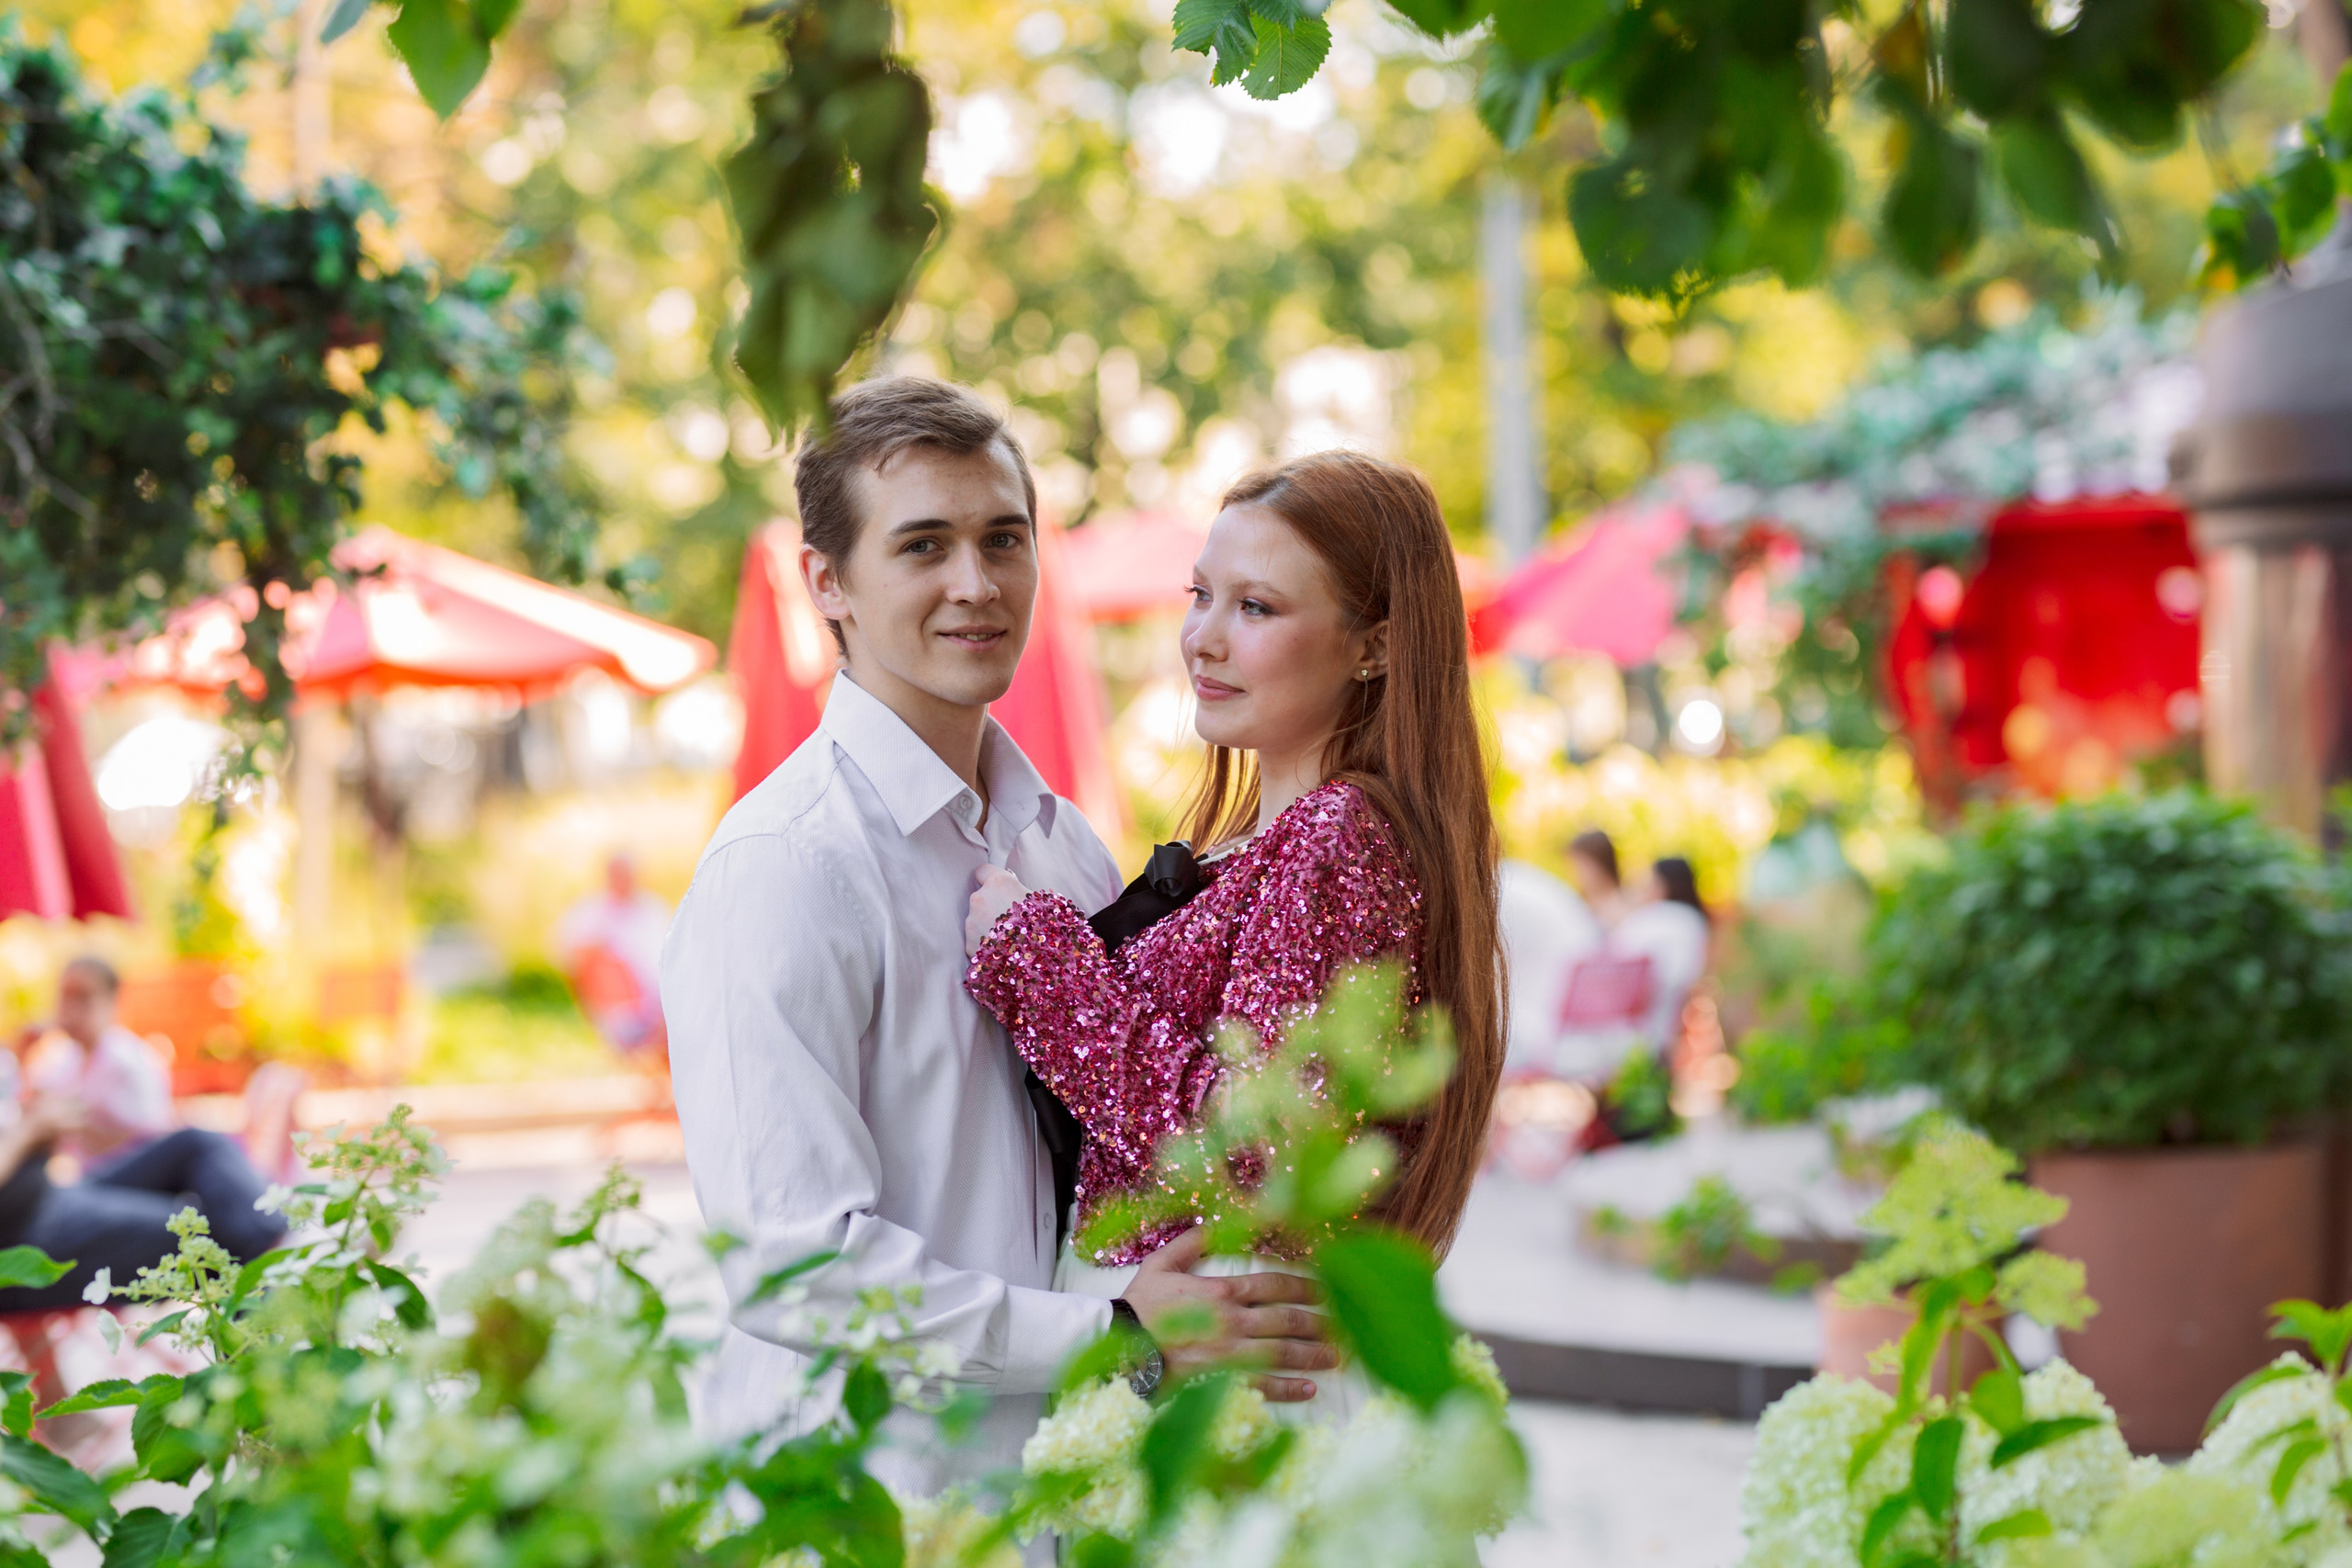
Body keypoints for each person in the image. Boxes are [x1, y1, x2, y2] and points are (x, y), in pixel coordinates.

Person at [660, 378, 1334, 1498]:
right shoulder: (784, 865)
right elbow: (792, 1264)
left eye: (1002, 540)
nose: (975, 585)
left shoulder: (1064, 847)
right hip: (866, 1502)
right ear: (826, 582)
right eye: (922, 546)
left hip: (1056, 1496)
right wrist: (1110, 1329)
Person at [962, 450, 1505, 1418]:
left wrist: (1038, 964)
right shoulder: (1280, 840)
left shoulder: (1339, 838)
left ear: (1373, 645)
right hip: (1196, 1345)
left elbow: (1253, 1151)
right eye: (1201, 595)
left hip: (1236, 1378)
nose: (1202, 640)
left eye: (1255, 609)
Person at [14, 957, 174, 1167]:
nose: (71, 1010)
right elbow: (30, 1111)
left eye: (83, 997)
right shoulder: (66, 1059)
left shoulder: (130, 1062)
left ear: (112, 1000)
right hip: (89, 1181)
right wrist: (22, 1058)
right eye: (65, 997)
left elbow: (153, 1140)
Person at [556, 853, 673, 1056]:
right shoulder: (591, 913)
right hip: (620, 1004)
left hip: (660, 996)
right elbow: (572, 961)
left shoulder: (653, 908)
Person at [1611, 854, 1713, 1064]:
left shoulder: (1654, 918)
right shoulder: (1694, 921)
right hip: (1665, 1023)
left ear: (1664, 884)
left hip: (1628, 1023)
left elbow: (1615, 953)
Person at [1565, 829, 1629, 929]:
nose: (1577, 874)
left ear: (1600, 863)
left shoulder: (1622, 907)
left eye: (1582, 865)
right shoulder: (1581, 904)